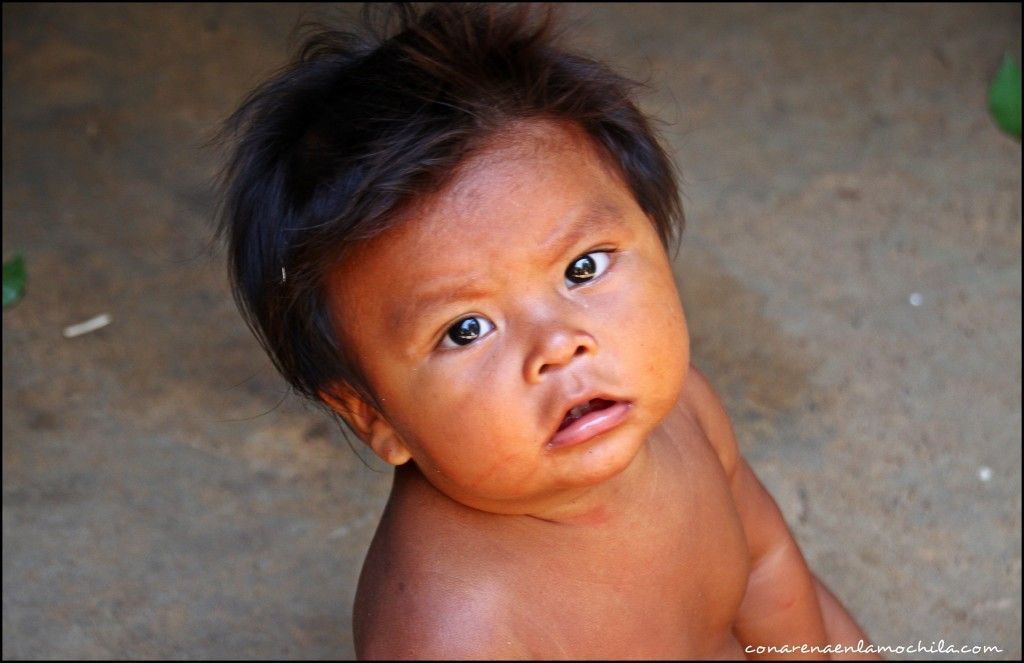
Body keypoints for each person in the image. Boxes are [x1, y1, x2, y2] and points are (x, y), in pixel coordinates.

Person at [215, 3, 877, 659]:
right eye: (467, 328)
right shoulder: (454, 627)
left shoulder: (684, 409)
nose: (559, 345)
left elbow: (764, 560)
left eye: (582, 268)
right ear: (371, 415)